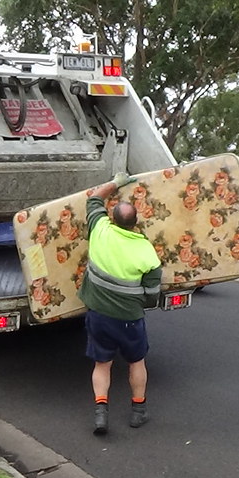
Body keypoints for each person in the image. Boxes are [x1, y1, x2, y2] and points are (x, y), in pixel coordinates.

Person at [78, 173, 162, 435]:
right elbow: (152, 294)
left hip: (99, 315)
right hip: (129, 318)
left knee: (102, 364)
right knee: (136, 362)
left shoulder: (100, 230)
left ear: (112, 219)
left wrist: (116, 182)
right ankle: (138, 410)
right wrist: (138, 304)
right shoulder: (146, 251)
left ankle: (101, 413)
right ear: (136, 223)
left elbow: (94, 199)